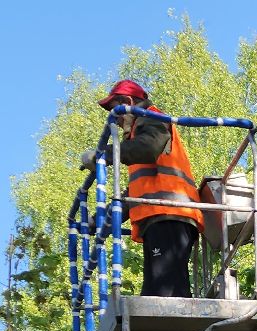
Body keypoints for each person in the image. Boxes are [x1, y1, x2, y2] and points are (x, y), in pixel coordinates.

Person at [87, 79, 203, 297]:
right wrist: (100, 220)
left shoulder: (152, 118)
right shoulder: (139, 133)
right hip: (161, 217)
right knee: (157, 292)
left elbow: (149, 147)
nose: (116, 121)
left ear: (128, 102)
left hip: (170, 214)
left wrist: (106, 153)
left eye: (116, 112)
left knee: (165, 292)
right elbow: (132, 195)